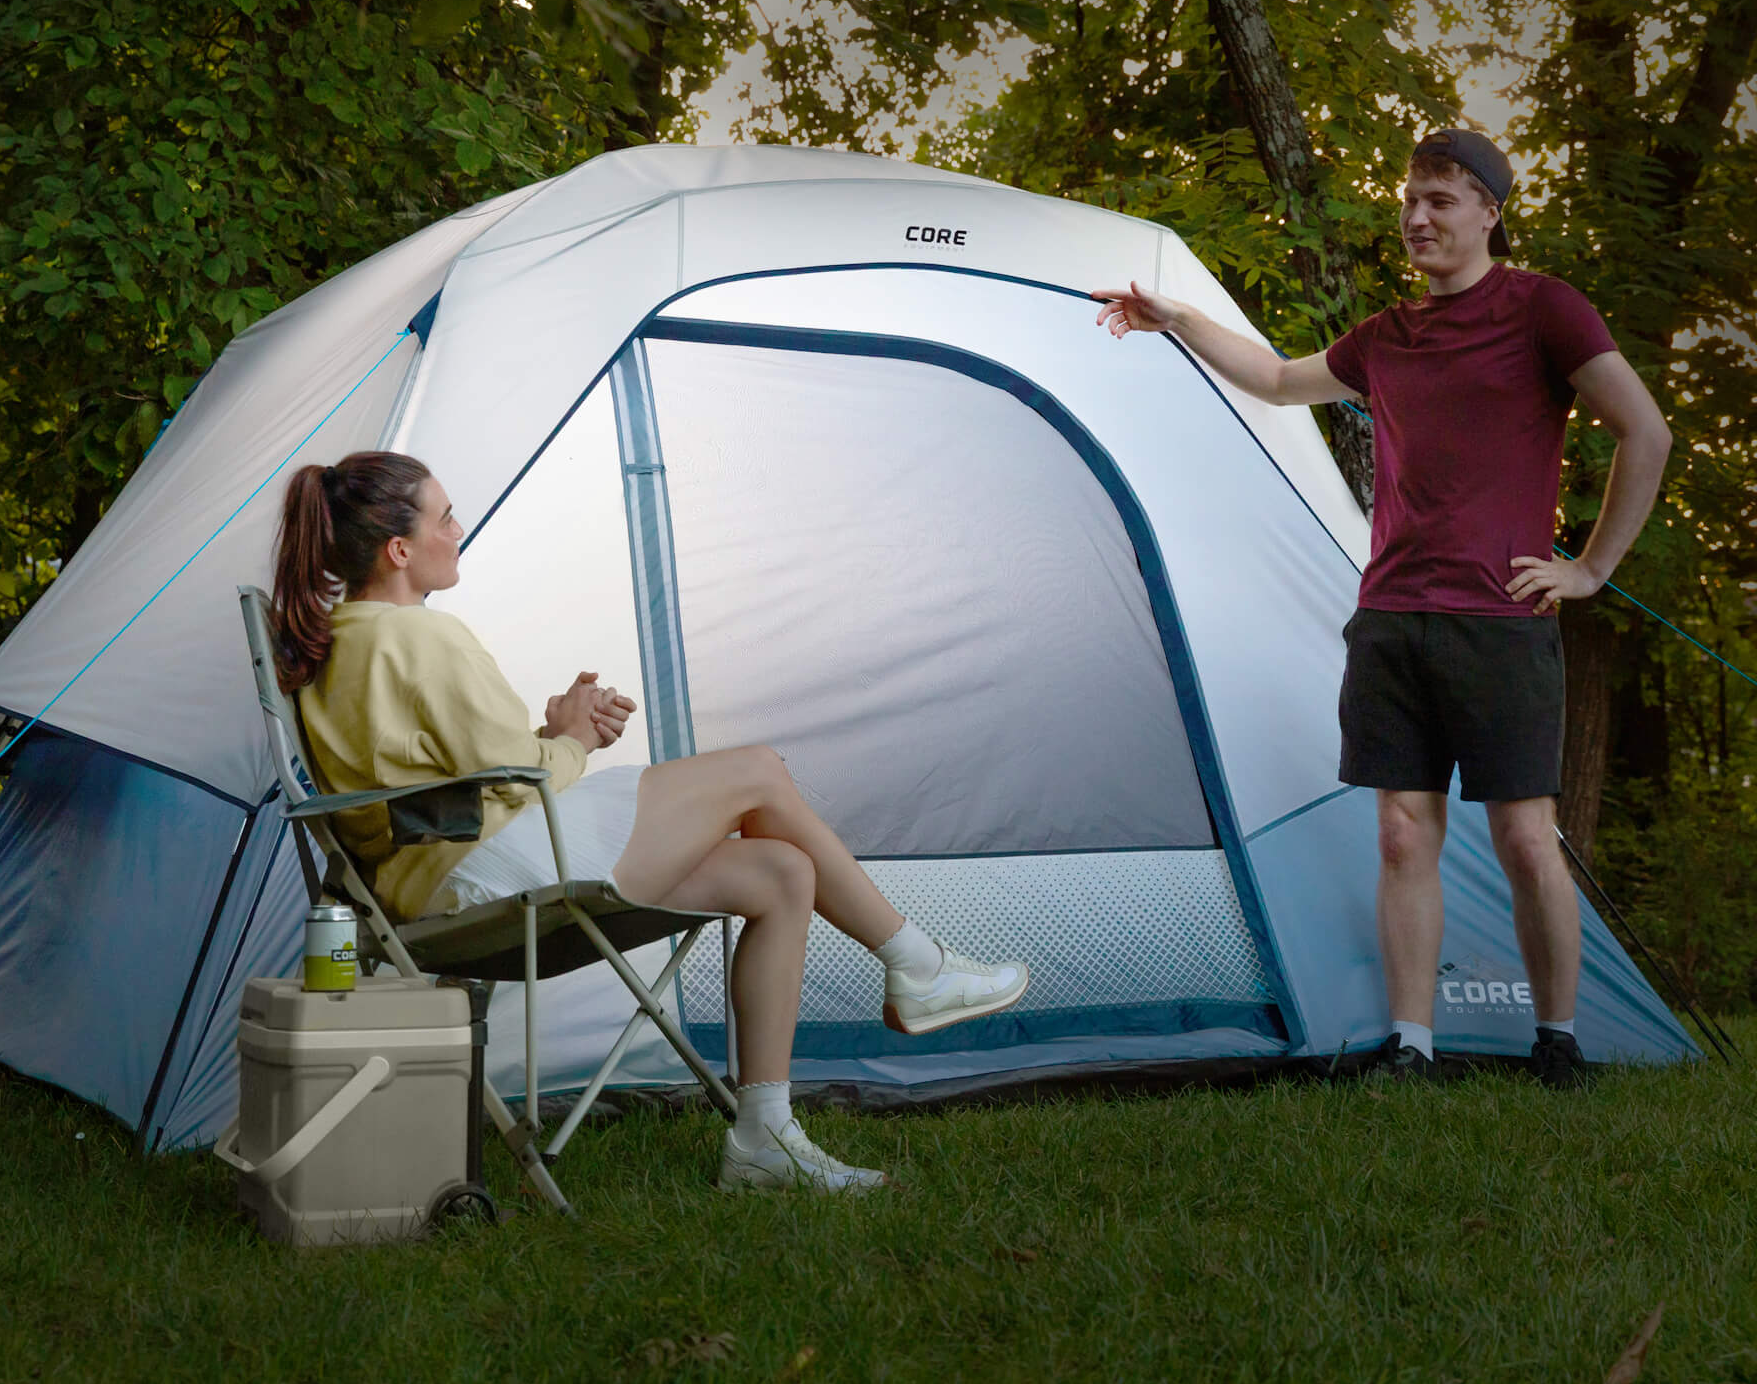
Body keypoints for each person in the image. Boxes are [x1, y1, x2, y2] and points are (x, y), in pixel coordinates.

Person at [270, 451, 1030, 1192]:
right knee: (758, 771)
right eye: (444, 518)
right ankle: (917, 964)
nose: (458, 530)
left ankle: (764, 1137)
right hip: (485, 873)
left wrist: (555, 735)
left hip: (424, 887)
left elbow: (450, 779)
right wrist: (573, 736)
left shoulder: (331, 645)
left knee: (780, 872)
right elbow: (522, 776)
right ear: (400, 549)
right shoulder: (421, 635)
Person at [1091, 128, 1671, 1089]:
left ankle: (1559, 1039)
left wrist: (1592, 569)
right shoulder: (1388, 337)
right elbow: (1280, 380)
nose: (1417, 217)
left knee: (1526, 840)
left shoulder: (1543, 310)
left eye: (1440, 200)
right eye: (1409, 200)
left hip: (1500, 621)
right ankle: (1412, 1046)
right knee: (1402, 830)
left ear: (1490, 211)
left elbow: (1644, 431)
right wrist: (1178, 317)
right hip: (1392, 617)